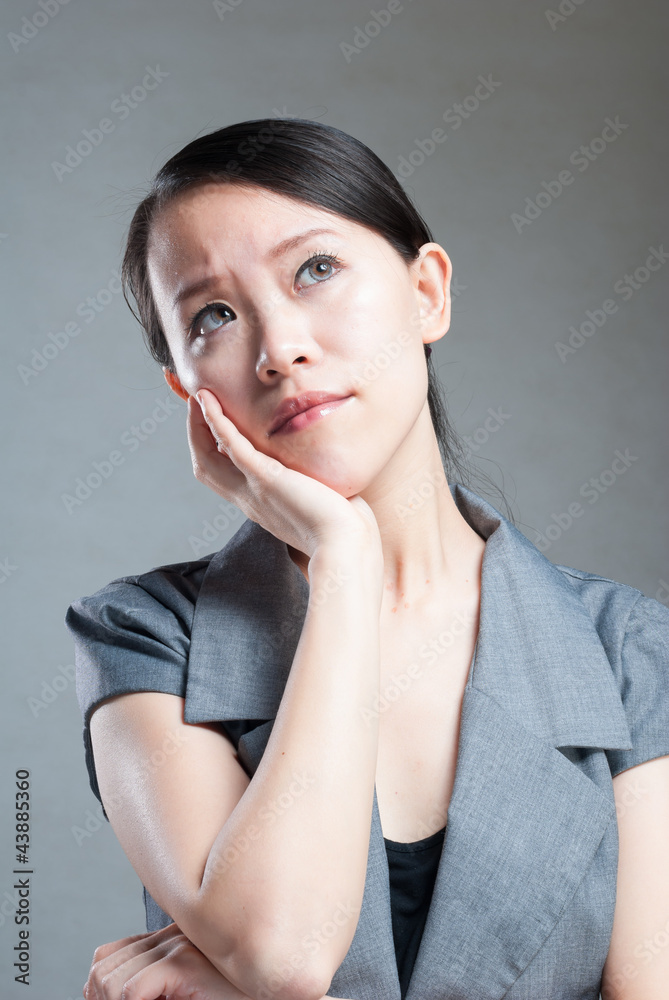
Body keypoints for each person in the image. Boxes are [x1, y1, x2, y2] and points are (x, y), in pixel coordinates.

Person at [65, 119, 669, 1000]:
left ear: (426, 293)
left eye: (315, 269)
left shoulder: (627, 652)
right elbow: (284, 954)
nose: (279, 349)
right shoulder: (144, 637)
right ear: (188, 395)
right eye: (213, 316)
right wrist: (343, 564)